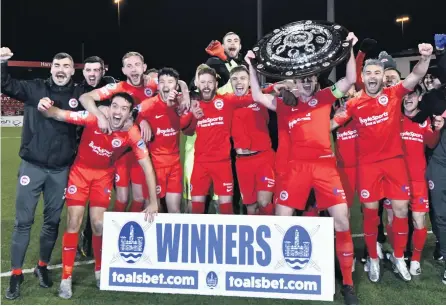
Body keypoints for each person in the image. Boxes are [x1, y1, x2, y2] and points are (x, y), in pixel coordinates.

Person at [245, 31, 359, 304]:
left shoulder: (324, 96)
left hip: (324, 167)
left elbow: (351, 79)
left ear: (315, 80)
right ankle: (283, 275)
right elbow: (259, 96)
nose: (306, 83)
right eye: (302, 79)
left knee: (342, 220)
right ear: (295, 82)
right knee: (282, 222)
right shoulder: (285, 104)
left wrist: (351, 48)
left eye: (310, 78)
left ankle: (347, 283)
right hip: (296, 169)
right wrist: (250, 65)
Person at [37, 92, 158, 299]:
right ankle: (66, 277)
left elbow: (146, 165)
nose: (118, 112)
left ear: (129, 113)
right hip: (80, 174)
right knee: (74, 222)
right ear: (109, 107)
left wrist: (154, 202)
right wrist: (44, 107)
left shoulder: (132, 132)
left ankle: (100, 271)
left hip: (103, 177)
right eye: (115, 106)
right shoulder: (93, 118)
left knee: (98, 225)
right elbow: (59, 114)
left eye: (124, 108)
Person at [332, 43, 434, 283]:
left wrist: (426, 57)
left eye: (377, 72)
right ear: (363, 77)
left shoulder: (393, 94)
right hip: (368, 166)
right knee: (370, 213)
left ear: (382, 76)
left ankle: (399, 257)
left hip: (395, 164)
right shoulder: (355, 103)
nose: (373, 77)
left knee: (399, 210)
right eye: (368, 73)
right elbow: (333, 123)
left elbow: (416, 74)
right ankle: (374, 259)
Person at [1, 47, 84, 299]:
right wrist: (2, 62)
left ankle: (42, 267)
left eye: (66, 66)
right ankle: (16, 274)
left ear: (72, 70)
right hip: (32, 167)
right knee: (23, 222)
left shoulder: (79, 93)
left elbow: (103, 101)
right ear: (51, 68)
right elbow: (5, 84)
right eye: (57, 66)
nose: (61, 70)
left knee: (51, 223)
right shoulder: (34, 88)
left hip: (60, 171)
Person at [79, 51, 156, 213]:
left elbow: (179, 83)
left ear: (144, 67)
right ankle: (113, 233)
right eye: (129, 66)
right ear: (123, 71)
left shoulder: (153, 84)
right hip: (121, 152)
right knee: (122, 198)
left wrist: (183, 91)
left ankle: (130, 231)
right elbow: (85, 98)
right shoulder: (118, 87)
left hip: (141, 151)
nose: (133, 69)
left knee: (140, 199)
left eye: (137, 65)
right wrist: (99, 116)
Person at [187, 67, 254, 215]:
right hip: (200, 164)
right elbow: (187, 130)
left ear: (216, 85)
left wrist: (273, 88)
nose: (206, 86)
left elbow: (252, 97)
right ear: (197, 84)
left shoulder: (226, 101)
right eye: (203, 82)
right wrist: (192, 116)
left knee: (226, 209)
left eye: (210, 82)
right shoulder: (193, 105)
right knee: (196, 209)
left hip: (222, 163)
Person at [393, 86, 444, 275]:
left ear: (419, 97)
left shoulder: (425, 120)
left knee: (419, 220)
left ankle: (415, 260)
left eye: (412, 95)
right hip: (397, 179)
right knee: (396, 219)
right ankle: (398, 256)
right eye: (405, 96)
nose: (408, 99)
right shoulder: (394, 118)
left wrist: (436, 129)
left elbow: (431, 143)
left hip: (418, 180)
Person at [134, 67, 194, 213]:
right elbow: (130, 114)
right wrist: (141, 120)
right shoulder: (149, 105)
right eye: (162, 82)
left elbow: (185, 125)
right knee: (153, 209)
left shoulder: (183, 104)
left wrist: (183, 96)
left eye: (170, 82)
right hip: (154, 164)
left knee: (174, 210)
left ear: (176, 85)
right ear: (158, 85)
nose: (166, 86)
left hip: (174, 164)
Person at [77, 56, 117, 259]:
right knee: (81, 200)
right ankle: (85, 236)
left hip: (114, 153)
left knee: (118, 197)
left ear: (103, 71)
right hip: (85, 154)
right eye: (88, 70)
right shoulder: (77, 90)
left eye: (96, 70)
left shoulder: (112, 86)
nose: (92, 74)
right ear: (83, 72)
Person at [229, 65, 275, 215]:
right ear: (230, 83)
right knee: (250, 207)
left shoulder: (261, 99)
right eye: (234, 79)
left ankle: (273, 233)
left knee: (264, 202)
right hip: (242, 162)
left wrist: (272, 88)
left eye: (243, 78)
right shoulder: (227, 103)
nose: (238, 82)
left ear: (250, 82)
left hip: (263, 158)